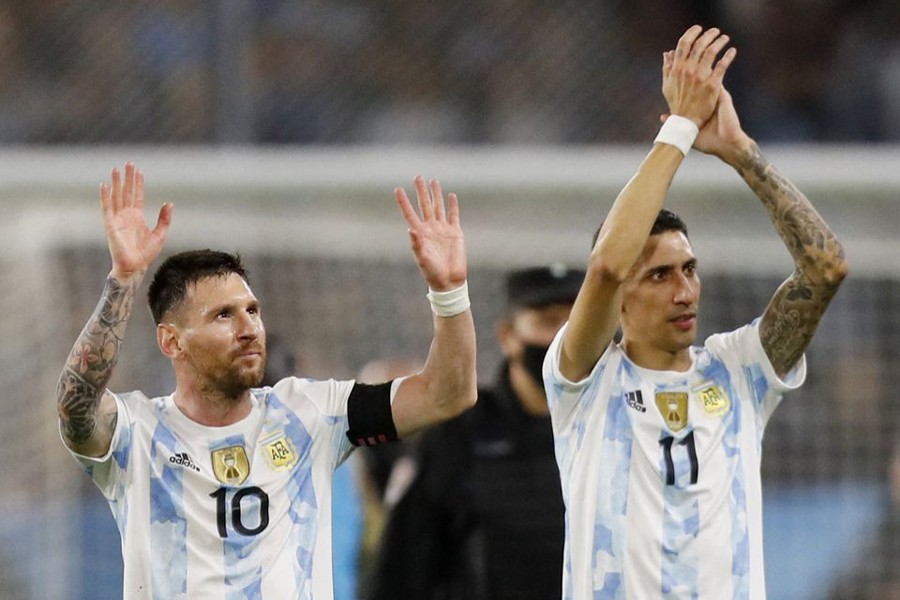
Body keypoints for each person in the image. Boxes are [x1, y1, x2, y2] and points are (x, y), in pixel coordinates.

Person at [55, 164, 477, 599]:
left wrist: (449, 292)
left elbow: (448, 393)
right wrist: (123, 280)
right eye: (224, 315)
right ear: (171, 341)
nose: (250, 328)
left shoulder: (313, 412)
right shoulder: (136, 433)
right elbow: (76, 406)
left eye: (252, 310)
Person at [542, 24, 848, 599]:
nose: (685, 290)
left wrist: (739, 152)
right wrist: (679, 129)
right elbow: (607, 265)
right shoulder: (585, 380)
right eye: (659, 274)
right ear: (622, 299)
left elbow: (825, 269)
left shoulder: (738, 370)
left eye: (690, 269)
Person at [365, 264, 584, 600]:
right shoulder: (459, 433)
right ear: (508, 337)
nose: (563, 338)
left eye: (576, 323)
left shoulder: (613, 429)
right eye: (548, 321)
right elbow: (403, 566)